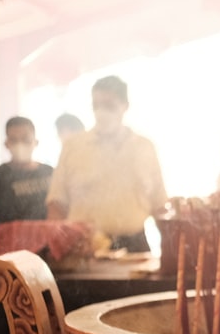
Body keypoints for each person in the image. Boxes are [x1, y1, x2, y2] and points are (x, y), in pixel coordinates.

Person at [46, 76, 167, 253]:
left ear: (125, 106)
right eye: (96, 105)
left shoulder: (144, 147)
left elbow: (159, 205)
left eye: (109, 105)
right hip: (85, 249)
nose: (101, 111)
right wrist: (57, 249)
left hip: (134, 246)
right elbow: (56, 205)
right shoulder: (73, 147)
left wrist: (171, 253)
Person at [0, 116, 53, 225]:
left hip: (47, 239)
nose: (20, 144)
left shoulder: (51, 174)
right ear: (6, 144)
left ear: (35, 142)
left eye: (26, 139)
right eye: (14, 140)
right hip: (10, 239)